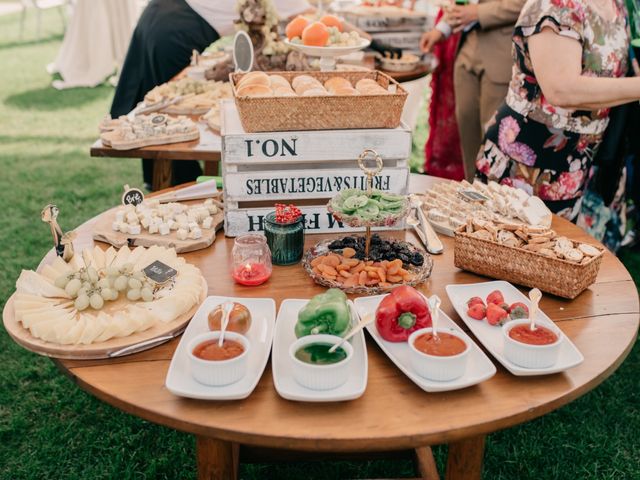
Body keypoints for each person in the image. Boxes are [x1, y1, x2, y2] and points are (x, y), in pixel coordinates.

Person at [110, 0, 312, 189]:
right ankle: (178, 187)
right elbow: (308, 17)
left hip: (158, 11)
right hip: (175, 28)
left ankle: (160, 181)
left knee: (155, 95)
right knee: (170, 113)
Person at [475, 0, 635, 222]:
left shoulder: (619, 5)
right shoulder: (555, 6)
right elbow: (562, 91)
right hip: (530, 161)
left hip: (585, 158)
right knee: (513, 249)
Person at [421, 0, 526, 180]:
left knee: (493, 142)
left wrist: (479, 12)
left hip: (501, 56)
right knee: (468, 138)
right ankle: (470, 196)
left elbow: (527, 3)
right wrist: (442, 29)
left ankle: (493, 202)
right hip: (465, 55)